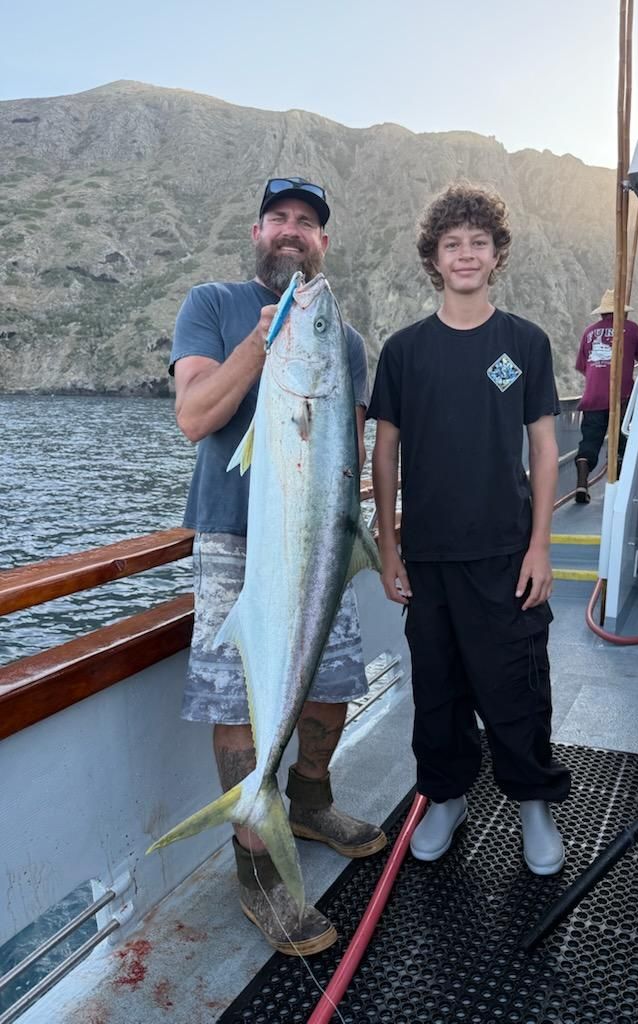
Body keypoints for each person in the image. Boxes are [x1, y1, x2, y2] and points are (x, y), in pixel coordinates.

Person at [169, 176, 386, 957]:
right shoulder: (212, 305)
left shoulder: (344, 341)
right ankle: (256, 864)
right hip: (235, 541)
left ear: (323, 243)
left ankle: (308, 801)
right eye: (280, 219)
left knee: (332, 690)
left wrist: (367, 542)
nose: (292, 231)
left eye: (308, 223)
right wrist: (265, 343)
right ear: (258, 231)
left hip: (321, 539)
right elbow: (196, 417)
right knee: (241, 697)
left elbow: (344, 453)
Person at [368, 182, 571, 875]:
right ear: (433, 257)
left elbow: (544, 448)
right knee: (437, 686)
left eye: (477, 243)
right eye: (451, 244)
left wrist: (542, 545)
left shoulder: (523, 345)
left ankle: (533, 802)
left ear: (497, 254)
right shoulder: (404, 351)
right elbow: (385, 451)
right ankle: (446, 796)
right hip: (426, 555)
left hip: (504, 550)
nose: (465, 255)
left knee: (514, 684)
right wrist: (389, 545)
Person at [574, 289, 638, 503]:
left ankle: (581, 485)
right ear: (622, 312)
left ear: (602, 313)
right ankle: (618, 491)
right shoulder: (631, 328)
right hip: (622, 397)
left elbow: (582, 366)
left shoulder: (589, 332)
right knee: (622, 442)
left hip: (593, 397)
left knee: (590, 441)